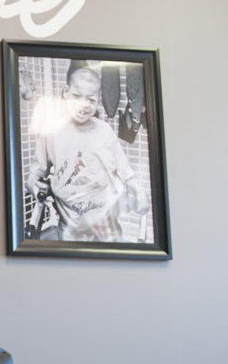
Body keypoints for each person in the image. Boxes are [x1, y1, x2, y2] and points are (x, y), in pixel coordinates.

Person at [25, 66, 150, 242]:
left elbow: (124, 170)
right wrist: (32, 185)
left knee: (110, 262)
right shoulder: (50, 132)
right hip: (69, 225)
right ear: (66, 93)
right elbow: (35, 175)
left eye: (91, 99)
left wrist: (140, 191)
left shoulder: (105, 130)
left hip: (107, 223)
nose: (84, 104)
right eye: (77, 96)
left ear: (98, 100)